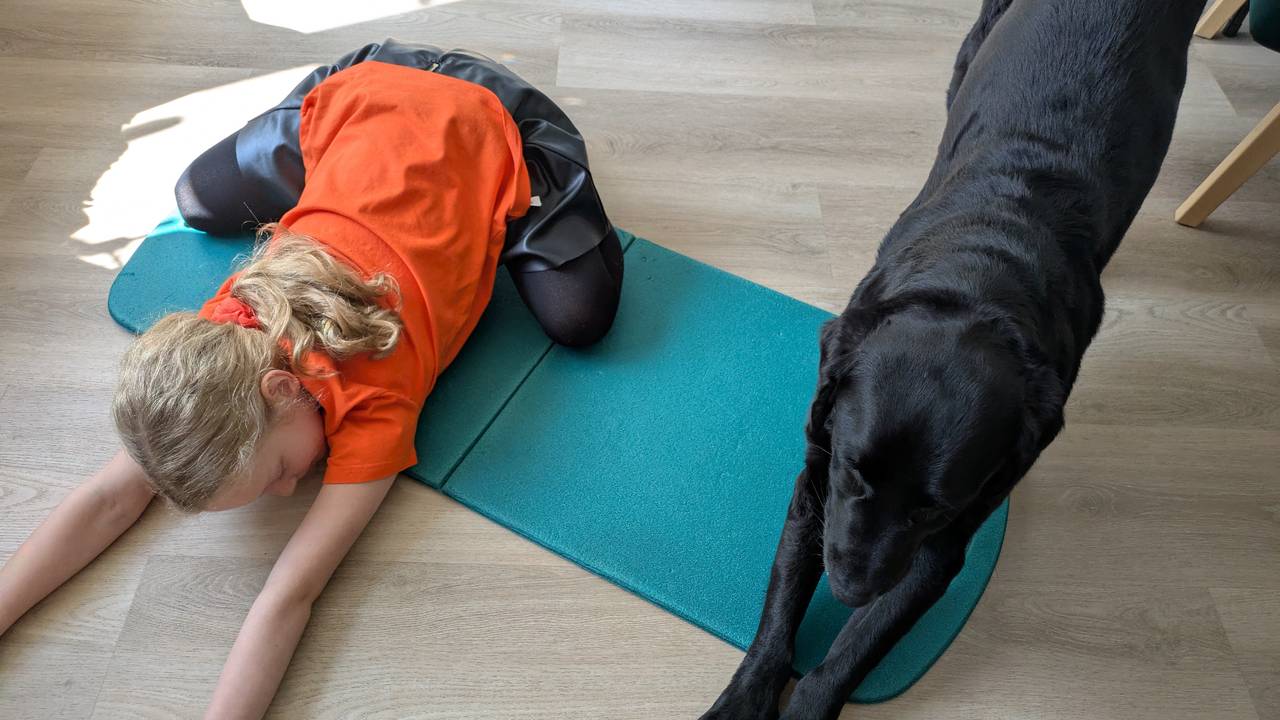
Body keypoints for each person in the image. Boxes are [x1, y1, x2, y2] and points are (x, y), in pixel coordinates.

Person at [0, 39, 622, 718]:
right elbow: (107, 499)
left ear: (280, 388)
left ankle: (518, 129)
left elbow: (288, 595)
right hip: (367, 106)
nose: (291, 488)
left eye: (276, 472)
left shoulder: (378, 398)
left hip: (476, 115)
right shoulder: (224, 335)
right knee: (198, 198)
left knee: (578, 316)